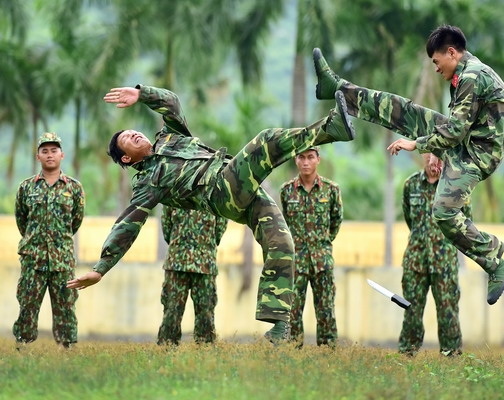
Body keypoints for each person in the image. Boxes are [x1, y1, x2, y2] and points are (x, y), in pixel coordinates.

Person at [66, 85, 355, 342]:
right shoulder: (148, 182)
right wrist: (100, 268)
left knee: (282, 243)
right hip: (221, 190)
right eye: (126, 139)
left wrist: (142, 95)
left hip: (241, 185)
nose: (133, 133)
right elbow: (127, 223)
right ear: (127, 158)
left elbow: (173, 103)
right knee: (265, 141)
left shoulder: (170, 137)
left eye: (132, 131)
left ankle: (279, 327)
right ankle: (332, 128)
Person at [313, 24, 504, 305]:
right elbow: (457, 128)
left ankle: (494, 261)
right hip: (468, 142)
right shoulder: (469, 72)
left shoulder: (471, 76)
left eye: (436, 61)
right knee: (405, 113)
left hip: (476, 153)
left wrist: (416, 144)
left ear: (452, 53)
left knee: (443, 212)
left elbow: (455, 131)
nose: (435, 68)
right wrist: (427, 142)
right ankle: (338, 88)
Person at [13, 132, 86, 349]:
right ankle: (22, 347)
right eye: (44, 151)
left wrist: (58, 242)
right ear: (38, 157)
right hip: (32, 258)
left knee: (65, 305)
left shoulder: (74, 188)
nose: (49, 155)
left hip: (62, 258)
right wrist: (34, 241)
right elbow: (21, 221)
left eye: (54, 150)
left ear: (62, 155)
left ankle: (67, 349)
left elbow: (76, 221)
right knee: (27, 303)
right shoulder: (26, 187)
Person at [398, 153, 468, 357]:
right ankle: (406, 356)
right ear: (422, 154)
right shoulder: (411, 185)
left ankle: (451, 358)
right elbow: (409, 219)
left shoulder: (456, 187)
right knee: (411, 311)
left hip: (444, 263)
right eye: (428, 154)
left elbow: (464, 223)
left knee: (448, 313)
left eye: (437, 154)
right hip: (415, 262)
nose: (432, 160)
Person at [280, 147, 342, 347]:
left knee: (325, 310)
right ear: (296, 160)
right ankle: (293, 353)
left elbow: (335, 222)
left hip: (321, 261)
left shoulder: (331, 190)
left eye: (310, 157)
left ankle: (327, 355)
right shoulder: (286, 190)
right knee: (293, 310)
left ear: (318, 160)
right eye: (301, 157)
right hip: (295, 262)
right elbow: (283, 224)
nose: (305, 162)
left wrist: (322, 244)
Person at [157, 206, 228, 345]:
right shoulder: (174, 191)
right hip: (177, 263)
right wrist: (179, 246)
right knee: (171, 311)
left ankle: (205, 353)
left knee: (206, 313)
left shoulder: (214, 192)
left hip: (205, 265)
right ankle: (165, 350)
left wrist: (207, 246)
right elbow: (166, 225)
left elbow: (220, 227)